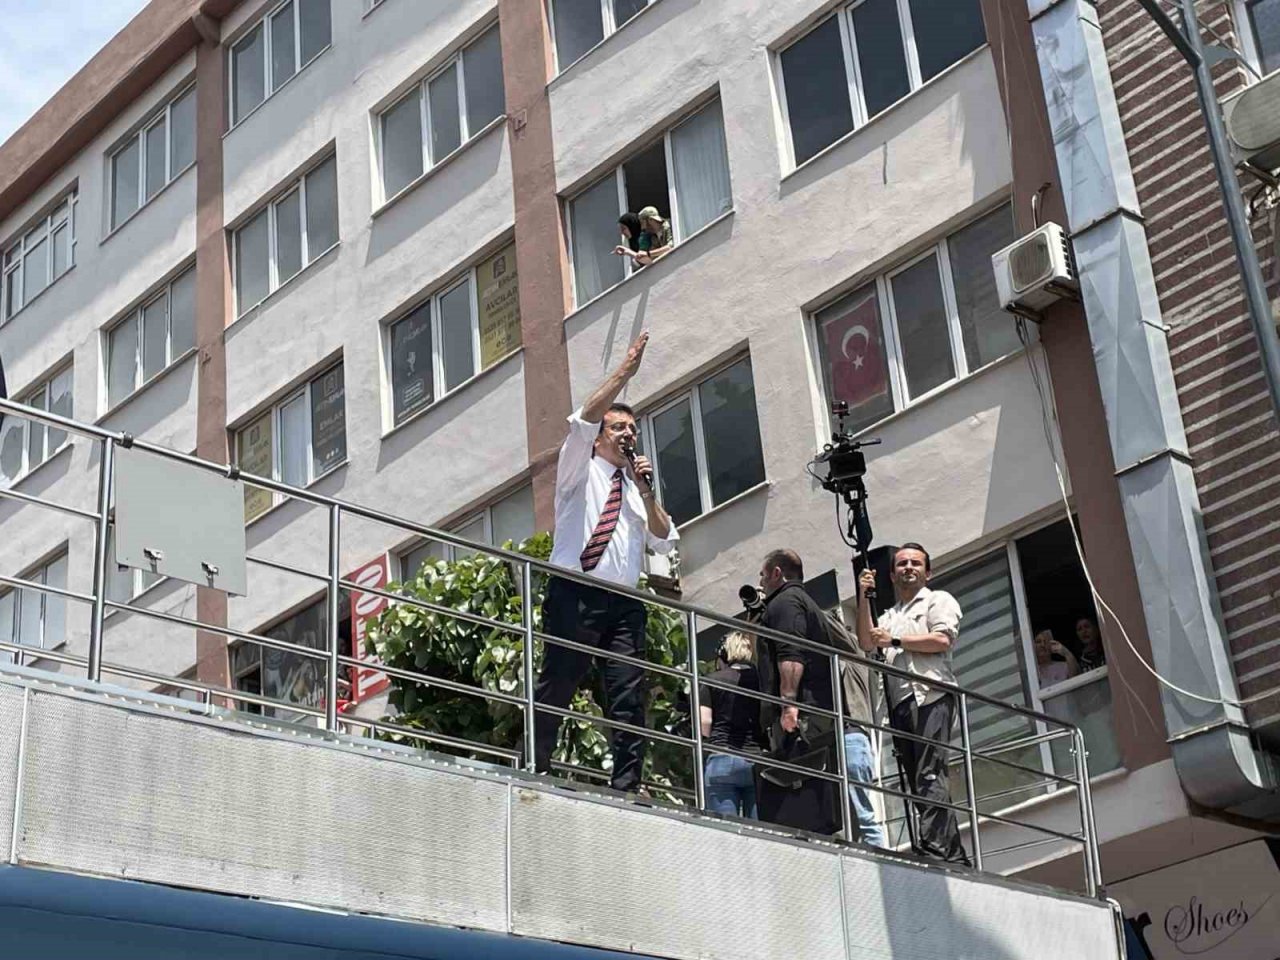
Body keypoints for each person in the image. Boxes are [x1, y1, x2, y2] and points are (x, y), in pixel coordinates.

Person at [533, 332, 679, 794]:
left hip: (624, 604)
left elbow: (663, 538)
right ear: (598, 440)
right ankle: (536, 764)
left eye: (632, 430)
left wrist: (647, 489)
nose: (627, 435)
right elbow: (582, 418)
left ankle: (628, 781)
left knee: (627, 694)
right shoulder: (578, 468)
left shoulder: (636, 490)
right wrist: (624, 373)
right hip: (575, 592)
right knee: (558, 682)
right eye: (618, 429)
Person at [856, 543, 967, 864]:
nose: (908, 567)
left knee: (929, 773)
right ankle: (952, 852)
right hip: (899, 702)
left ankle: (935, 847)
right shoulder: (889, 615)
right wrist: (864, 596)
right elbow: (866, 641)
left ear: (927, 572)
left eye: (915, 563)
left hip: (930, 694)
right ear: (891, 574)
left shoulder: (937, 600)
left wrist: (895, 641)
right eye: (902, 563)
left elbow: (942, 639)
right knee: (918, 777)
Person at [755, 548, 838, 835]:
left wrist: (788, 706)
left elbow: (790, 652)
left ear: (777, 573)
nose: (761, 585)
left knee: (802, 802)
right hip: (815, 713)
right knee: (811, 799)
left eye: (763, 577)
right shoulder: (803, 601)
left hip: (801, 719)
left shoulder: (785, 602)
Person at [699, 630, 765, 819]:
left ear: (725, 654)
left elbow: (705, 723)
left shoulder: (712, 680)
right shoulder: (762, 681)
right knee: (761, 831)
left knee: (727, 831)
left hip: (721, 757)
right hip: (757, 760)